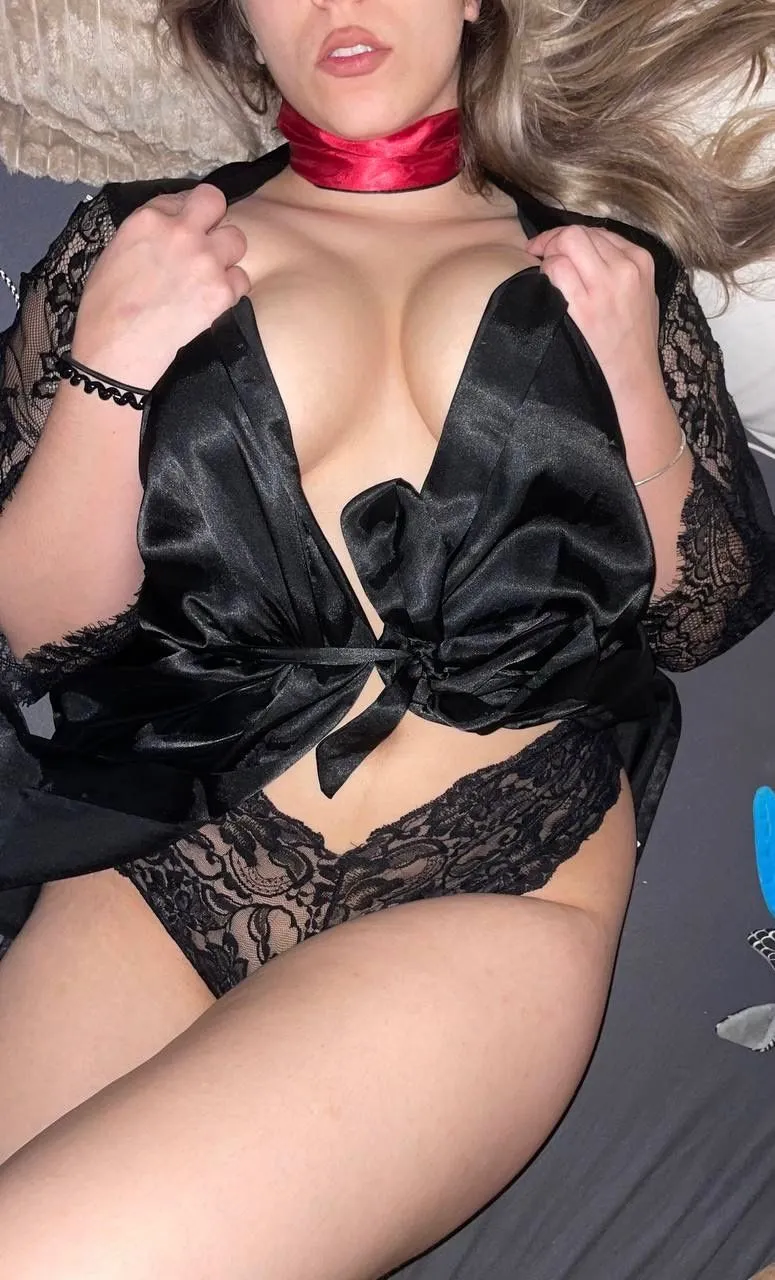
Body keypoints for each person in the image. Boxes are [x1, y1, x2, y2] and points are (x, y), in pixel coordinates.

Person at [0, 0, 773, 1274]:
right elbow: (45, 636)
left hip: (487, 875)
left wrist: (633, 377)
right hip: (167, 865)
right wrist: (113, 365)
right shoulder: (138, 239)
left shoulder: (609, 264)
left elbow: (700, 614)